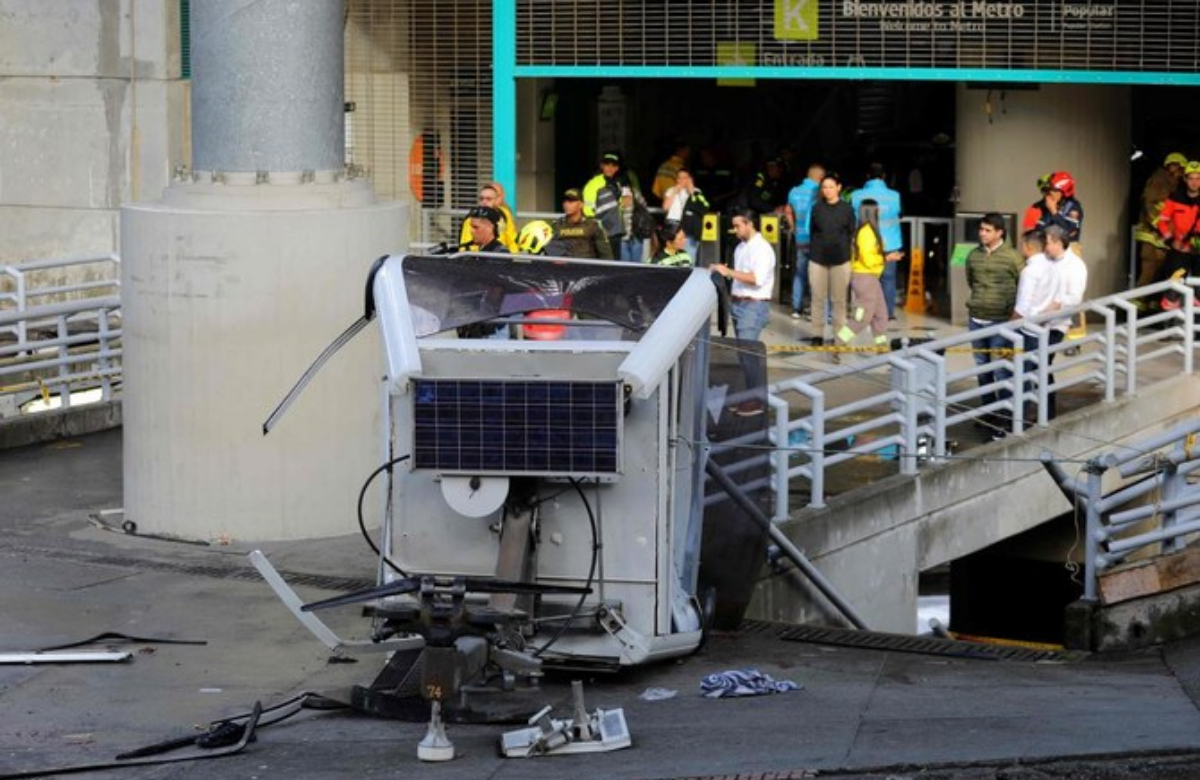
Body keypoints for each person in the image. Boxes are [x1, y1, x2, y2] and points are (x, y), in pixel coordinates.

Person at [711, 210, 776, 416]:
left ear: (749, 224)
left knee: (749, 355)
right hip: (739, 303)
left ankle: (757, 399)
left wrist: (727, 272)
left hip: (754, 306)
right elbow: (741, 276)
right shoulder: (740, 248)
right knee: (744, 354)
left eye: (738, 226)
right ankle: (752, 396)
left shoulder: (763, 249)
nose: (735, 230)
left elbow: (756, 278)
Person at [965, 213, 1024, 423]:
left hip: (1002, 321)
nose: (982, 233)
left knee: (1002, 369)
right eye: (981, 229)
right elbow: (971, 281)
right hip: (976, 319)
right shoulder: (973, 255)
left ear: (1000, 232)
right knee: (982, 369)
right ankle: (989, 413)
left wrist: (1011, 312)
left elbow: (1023, 285)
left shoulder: (1013, 257)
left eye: (987, 230)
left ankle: (1007, 414)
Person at [1033, 225, 1087, 420]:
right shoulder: (1044, 261)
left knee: (1042, 365)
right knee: (1034, 366)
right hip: (1036, 321)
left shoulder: (1075, 265)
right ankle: (1041, 411)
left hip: (1056, 324)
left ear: (1057, 242)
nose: (1044, 248)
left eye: (1046, 243)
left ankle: (1046, 414)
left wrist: (1055, 305)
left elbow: (1075, 297)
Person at [807, 173, 856, 360]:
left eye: (830, 186)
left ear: (839, 187)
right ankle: (817, 334)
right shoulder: (817, 208)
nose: (827, 190)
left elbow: (851, 231)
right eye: (824, 187)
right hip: (818, 258)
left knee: (839, 301)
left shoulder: (847, 209)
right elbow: (813, 231)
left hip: (841, 259)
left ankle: (839, 336)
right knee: (817, 298)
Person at [850, 163, 905, 319]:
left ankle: (862, 314)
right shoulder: (895, 195)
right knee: (888, 280)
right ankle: (887, 313)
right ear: (884, 176)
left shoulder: (856, 195)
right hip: (890, 243)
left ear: (867, 176)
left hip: (864, 242)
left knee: (865, 281)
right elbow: (900, 214)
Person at [836, 200, 889, 350]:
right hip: (865, 278)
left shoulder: (869, 231)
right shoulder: (866, 232)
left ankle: (881, 347)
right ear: (872, 212)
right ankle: (837, 343)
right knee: (862, 318)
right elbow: (867, 257)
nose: (879, 212)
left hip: (871, 278)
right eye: (877, 210)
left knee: (880, 315)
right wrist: (884, 259)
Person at [1133, 152, 1187, 292]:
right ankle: (1134, 304)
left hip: (1161, 239)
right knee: (1149, 272)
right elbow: (1149, 203)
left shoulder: (1172, 185)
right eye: (1180, 170)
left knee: (1159, 273)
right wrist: (1161, 226)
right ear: (1173, 166)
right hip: (1151, 235)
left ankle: (1149, 303)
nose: (1181, 175)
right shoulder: (1159, 180)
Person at [457, 206, 511, 340]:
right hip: (477, 325)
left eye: (476, 227)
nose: (471, 231)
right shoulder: (477, 253)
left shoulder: (501, 254)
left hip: (492, 328)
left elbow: (494, 290)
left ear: (490, 228)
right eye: (471, 227)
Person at [583, 150, 648, 262]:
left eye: (614, 165)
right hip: (601, 234)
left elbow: (620, 207)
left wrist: (625, 202)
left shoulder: (619, 183)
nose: (610, 168)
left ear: (617, 168)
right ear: (602, 165)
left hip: (617, 234)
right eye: (607, 164)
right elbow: (588, 210)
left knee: (616, 267)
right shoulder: (593, 184)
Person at [1155, 160, 1200, 310]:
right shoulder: (1174, 198)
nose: (1194, 182)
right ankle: (1167, 327)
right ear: (1185, 179)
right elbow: (1161, 222)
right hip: (1180, 250)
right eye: (1191, 178)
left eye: (1198, 178)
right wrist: (1171, 240)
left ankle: (1197, 331)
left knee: (1199, 295)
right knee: (1172, 293)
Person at [784, 163, 824, 319]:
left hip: (800, 237)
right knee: (817, 274)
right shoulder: (819, 192)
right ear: (820, 177)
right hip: (816, 239)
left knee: (800, 273)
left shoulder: (794, 191)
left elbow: (788, 211)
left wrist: (794, 228)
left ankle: (796, 307)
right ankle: (813, 307)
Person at [1021, 171, 1083, 244]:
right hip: (1048, 249)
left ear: (1064, 192)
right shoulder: (1045, 208)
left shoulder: (1073, 207)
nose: (1048, 195)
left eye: (1052, 191)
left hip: (1068, 250)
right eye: (1046, 192)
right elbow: (1039, 229)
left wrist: (1054, 211)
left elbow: (1069, 232)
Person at [551, 188, 614, 259]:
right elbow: (550, 252)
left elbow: (606, 254)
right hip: (563, 267)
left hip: (587, 267)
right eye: (565, 201)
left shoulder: (593, 225)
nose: (567, 204)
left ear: (581, 204)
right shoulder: (556, 225)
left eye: (571, 201)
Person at [662, 168, 709, 260]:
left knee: (688, 256)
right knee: (672, 256)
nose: (681, 180)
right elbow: (665, 207)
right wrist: (675, 191)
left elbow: (700, 207)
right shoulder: (671, 190)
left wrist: (690, 189)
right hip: (674, 225)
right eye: (679, 178)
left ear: (690, 179)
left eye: (684, 178)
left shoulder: (696, 191)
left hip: (689, 226)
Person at [459, 182, 518, 251]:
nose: (484, 202)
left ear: (496, 200)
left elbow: (512, 241)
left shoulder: (504, 215)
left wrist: (513, 258)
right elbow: (466, 246)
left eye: (488, 199)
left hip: (501, 254)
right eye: (481, 199)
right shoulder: (472, 219)